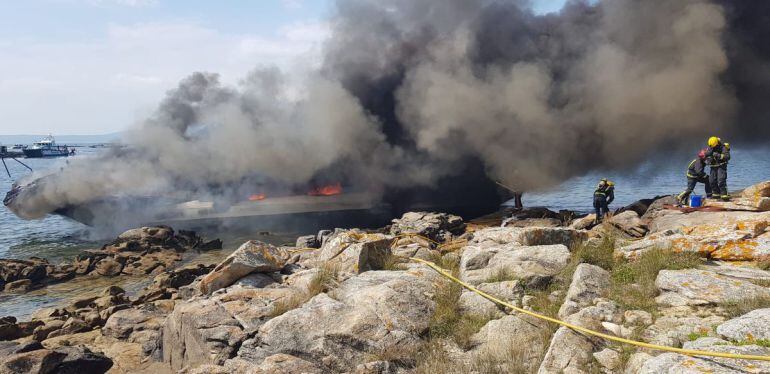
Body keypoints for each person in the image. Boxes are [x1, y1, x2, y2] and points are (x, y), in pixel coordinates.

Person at [705, 136, 731, 201]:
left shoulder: (723, 147)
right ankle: (716, 194)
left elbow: (727, 156)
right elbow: (706, 156)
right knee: (711, 181)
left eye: (713, 146)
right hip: (713, 166)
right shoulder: (710, 147)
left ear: (717, 144)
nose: (712, 147)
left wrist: (718, 155)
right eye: (711, 146)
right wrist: (708, 160)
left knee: (721, 180)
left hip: (721, 166)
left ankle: (724, 195)